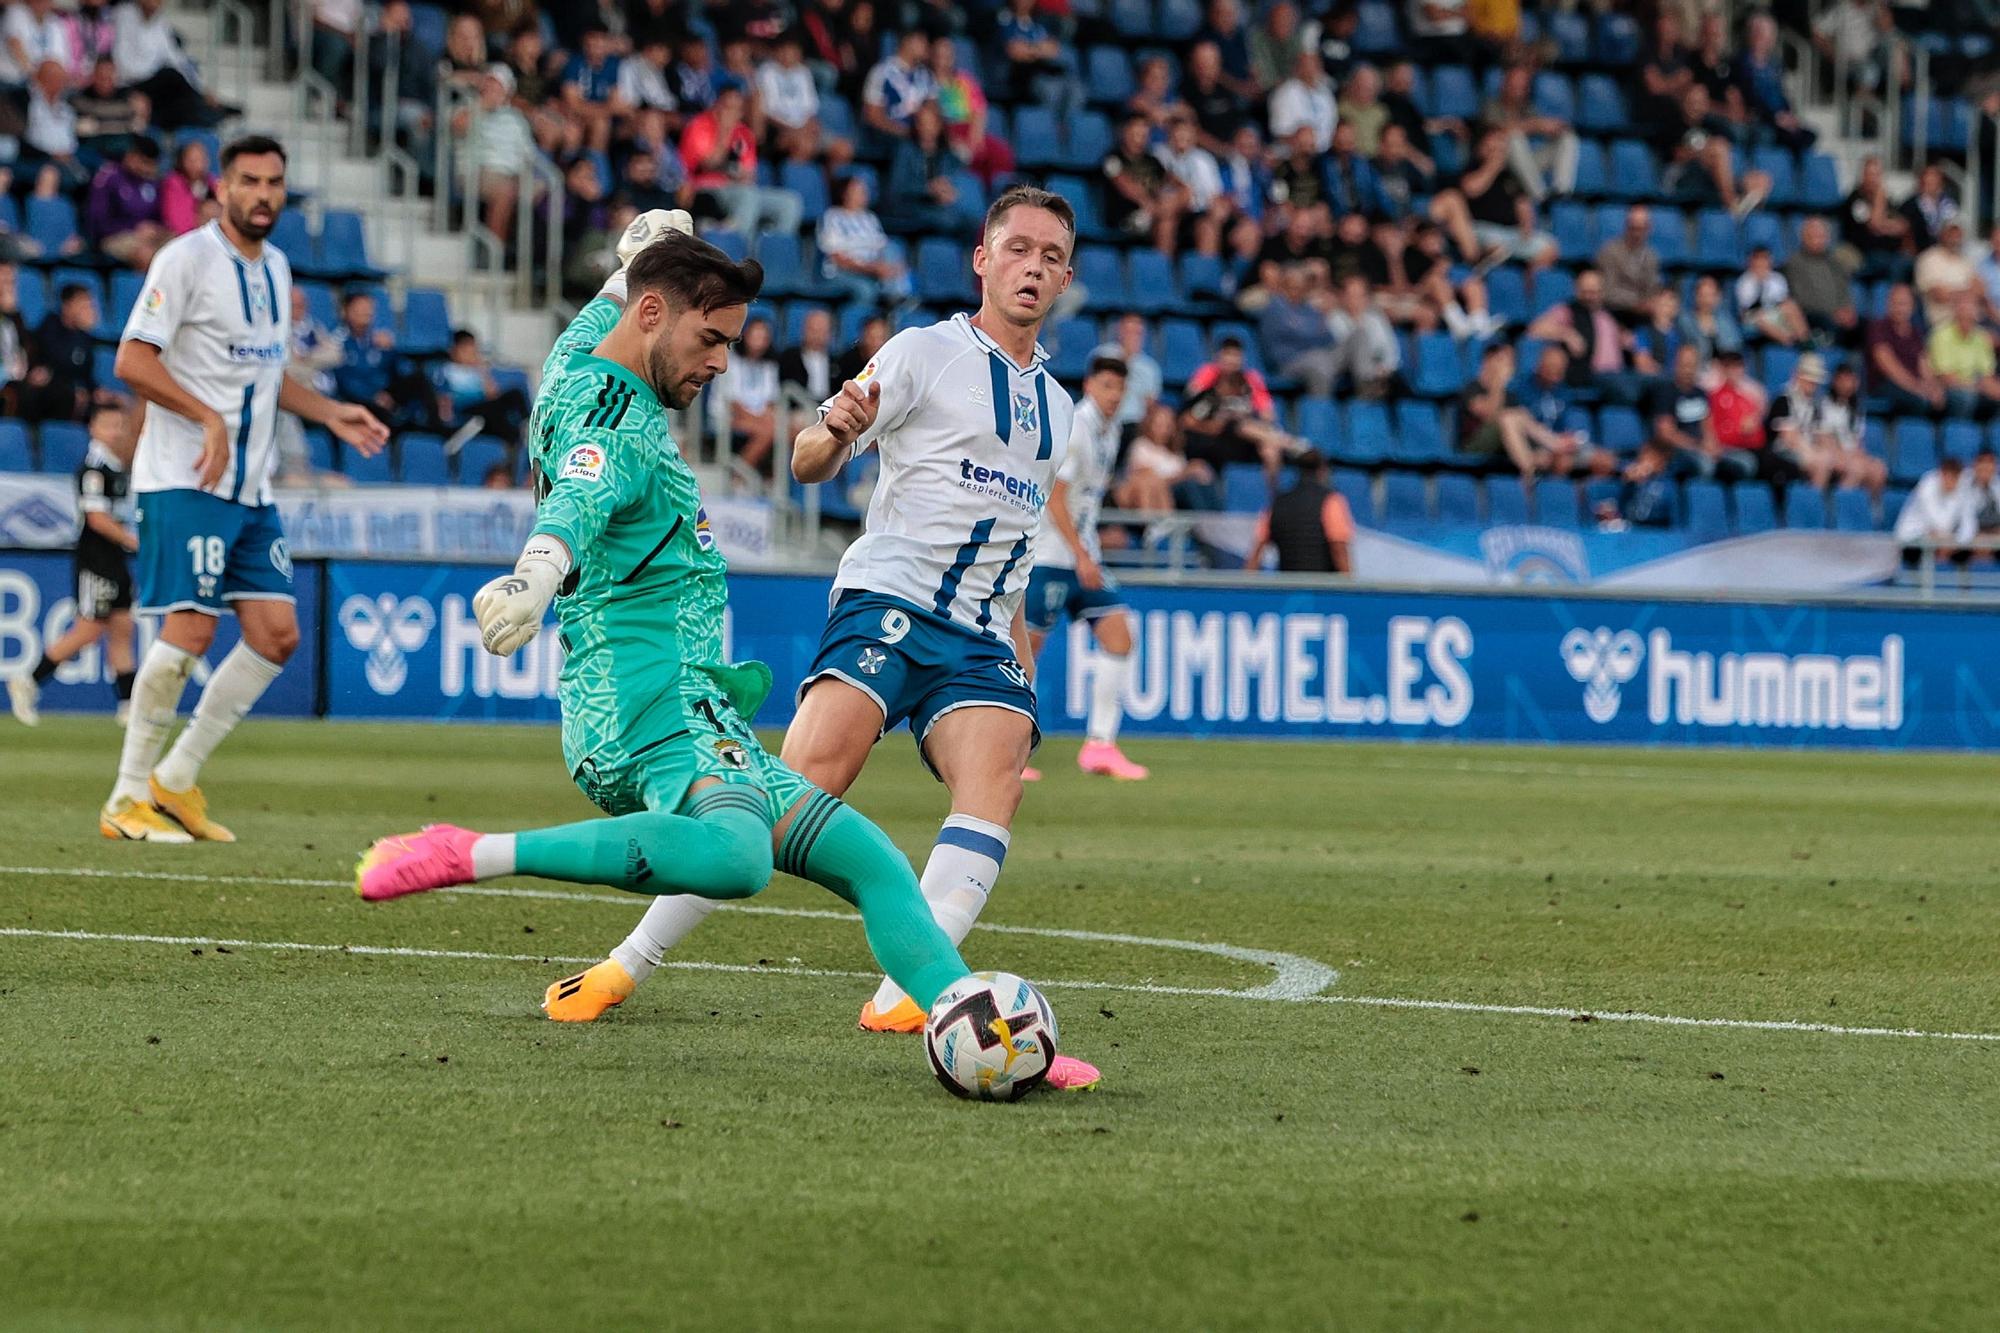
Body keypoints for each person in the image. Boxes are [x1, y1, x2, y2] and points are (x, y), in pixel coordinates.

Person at [355, 222, 1011, 1085]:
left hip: (697, 710)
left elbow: (603, 314)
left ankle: (979, 1032)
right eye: (711, 340)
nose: (720, 363)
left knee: (872, 861)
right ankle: (470, 850)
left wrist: (638, 252)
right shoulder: (616, 421)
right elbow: (582, 495)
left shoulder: (577, 361)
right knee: (737, 857)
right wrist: (534, 575)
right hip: (646, 711)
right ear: (657, 314)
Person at [544, 186, 1101, 1092]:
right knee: (787, 789)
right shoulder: (925, 352)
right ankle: (626, 964)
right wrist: (835, 432)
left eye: (1051, 256)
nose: (1034, 266)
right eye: (1019, 249)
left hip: (978, 632)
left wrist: (1023, 658)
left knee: (995, 776)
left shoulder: (1061, 410)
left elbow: (1020, 546)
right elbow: (808, 457)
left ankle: (912, 996)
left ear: (1067, 277)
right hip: (889, 599)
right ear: (983, 260)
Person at [100, 135, 388, 843]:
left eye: (275, 182)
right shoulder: (186, 259)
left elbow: (265, 375)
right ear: (220, 189)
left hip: (251, 489)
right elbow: (132, 359)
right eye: (249, 181)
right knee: (191, 629)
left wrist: (330, 412)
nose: (263, 194)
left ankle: (174, 779)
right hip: (186, 478)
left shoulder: (278, 267)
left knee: (276, 633)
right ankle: (125, 797)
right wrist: (204, 416)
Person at [1020, 355, 1148, 782]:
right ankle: (1006, 751)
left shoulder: (1109, 433)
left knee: (1119, 634)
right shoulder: (1076, 426)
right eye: (1107, 385)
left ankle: (1100, 746)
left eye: (1119, 388)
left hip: (1081, 553)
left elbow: (1085, 500)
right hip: (1051, 557)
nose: (1113, 395)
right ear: (1091, 385)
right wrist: (1081, 554)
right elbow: (1054, 497)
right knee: (1026, 653)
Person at [7, 401, 140, 727]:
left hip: (114, 558)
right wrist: (132, 540)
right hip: (96, 558)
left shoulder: (116, 466)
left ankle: (128, 705)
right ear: (93, 429)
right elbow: (96, 519)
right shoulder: (93, 469)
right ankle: (28, 679)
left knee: (123, 627)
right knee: (89, 629)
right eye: (109, 425)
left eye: (120, 425)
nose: (116, 431)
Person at [1245, 450, 1352, 573]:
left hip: (1289, 586)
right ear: (1322, 470)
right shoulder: (1332, 501)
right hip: (1322, 587)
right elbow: (1338, 548)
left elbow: (1257, 551)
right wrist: (1349, 585)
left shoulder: (1277, 503)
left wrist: (1246, 586)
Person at [816, 174, 911, 309]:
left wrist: (893, 267)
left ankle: (897, 302)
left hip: (873, 271)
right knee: (866, 290)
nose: (864, 194)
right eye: (859, 190)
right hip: (843, 272)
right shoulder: (832, 216)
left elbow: (882, 246)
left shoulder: (869, 218)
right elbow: (837, 258)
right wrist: (871, 269)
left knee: (893, 248)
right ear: (845, 193)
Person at [434, 328, 531, 451]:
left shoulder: (476, 371)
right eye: (465, 351)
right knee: (495, 412)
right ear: (454, 350)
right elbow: (444, 397)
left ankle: (528, 426)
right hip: (465, 408)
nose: (470, 354)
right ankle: (511, 445)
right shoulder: (447, 370)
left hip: (484, 405)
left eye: (472, 350)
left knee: (515, 394)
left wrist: (482, 371)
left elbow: (492, 394)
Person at [708, 312, 779, 470]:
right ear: (745, 336)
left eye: (763, 337)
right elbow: (734, 405)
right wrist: (760, 420)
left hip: (758, 419)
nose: (759, 341)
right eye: (755, 335)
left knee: (788, 431)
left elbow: (770, 402)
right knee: (768, 432)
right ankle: (737, 476)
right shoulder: (730, 362)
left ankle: (777, 480)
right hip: (728, 417)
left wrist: (764, 417)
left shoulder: (769, 366)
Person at [85, 137, 168, 269]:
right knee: (146, 255)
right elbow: (98, 223)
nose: (149, 169)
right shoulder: (108, 178)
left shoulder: (152, 182)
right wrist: (134, 228)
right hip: (114, 236)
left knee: (182, 247)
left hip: (148, 235)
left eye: (152, 165)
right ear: (132, 157)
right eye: (145, 163)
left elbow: (159, 215)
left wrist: (156, 229)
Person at [1865, 283, 1945, 415]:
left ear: (1912, 307)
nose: (1899, 309)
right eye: (1895, 303)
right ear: (1888, 304)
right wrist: (1916, 387)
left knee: (1944, 401)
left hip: (1913, 386)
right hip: (1885, 384)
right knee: (1919, 401)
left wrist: (1933, 387)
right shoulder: (1878, 328)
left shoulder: (1915, 332)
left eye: (1904, 304)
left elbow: (1923, 364)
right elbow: (1889, 367)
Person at [1927, 290, 2000, 417]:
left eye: (1972, 306)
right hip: (1947, 390)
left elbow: (1987, 375)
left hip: (1975, 388)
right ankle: (1959, 434)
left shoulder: (1981, 337)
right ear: (1955, 309)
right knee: (1965, 398)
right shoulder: (1941, 335)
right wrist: (1976, 386)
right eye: (1963, 305)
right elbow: (1946, 377)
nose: (1967, 310)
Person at [1893, 454, 1973, 569]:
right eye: (1947, 476)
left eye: (1955, 478)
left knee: (1965, 553)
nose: (1951, 481)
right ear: (1941, 474)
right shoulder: (1927, 485)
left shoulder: (1962, 486)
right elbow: (1940, 523)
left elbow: (1969, 525)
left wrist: (1955, 542)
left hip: (1944, 541)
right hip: (1913, 539)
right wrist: (1947, 540)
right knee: (1926, 549)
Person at [1596, 206, 1662, 322]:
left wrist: (1653, 302)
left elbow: (1652, 288)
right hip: (1614, 312)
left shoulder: (1651, 256)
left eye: (1642, 229)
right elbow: (1607, 291)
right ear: (1626, 227)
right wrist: (1637, 303)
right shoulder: (1610, 251)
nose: (1637, 234)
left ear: (1649, 229)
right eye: (1634, 228)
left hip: (1643, 313)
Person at [1735, 246, 1808, 346]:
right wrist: (1759, 282)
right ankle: (1790, 343)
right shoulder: (1744, 282)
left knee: (1791, 306)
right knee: (1760, 318)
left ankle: (1805, 340)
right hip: (1752, 316)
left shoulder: (1778, 278)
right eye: (1757, 259)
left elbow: (1783, 301)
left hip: (1774, 312)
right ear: (1751, 261)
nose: (1761, 263)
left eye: (1764, 259)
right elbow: (1747, 309)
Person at [778, 306, 836, 403]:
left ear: (830, 334)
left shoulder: (835, 362)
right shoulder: (789, 357)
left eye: (821, 331)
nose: (816, 335)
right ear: (804, 330)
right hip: (798, 408)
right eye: (813, 330)